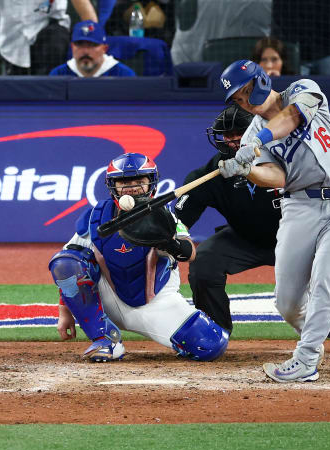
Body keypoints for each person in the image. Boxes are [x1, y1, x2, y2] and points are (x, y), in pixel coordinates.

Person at [217, 59, 330, 382]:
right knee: (286, 302)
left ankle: (306, 357)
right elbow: (277, 175)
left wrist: (257, 142)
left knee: (326, 280)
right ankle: (313, 338)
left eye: (245, 92)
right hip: (299, 208)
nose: (244, 102)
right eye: (238, 99)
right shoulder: (251, 137)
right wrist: (247, 170)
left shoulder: (303, 89)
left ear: (261, 81)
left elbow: (294, 116)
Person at [175, 103, 330, 353]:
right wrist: (173, 230)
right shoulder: (215, 171)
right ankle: (215, 332)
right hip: (245, 238)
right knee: (205, 262)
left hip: (300, 235)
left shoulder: (286, 156)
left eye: (238, 134)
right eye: (226, 136)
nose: (231, 141)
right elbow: (179, 217)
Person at [48, 152, 228, 362]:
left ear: (151, 183)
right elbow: (67, 266)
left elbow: (189, 254)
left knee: (211, 346)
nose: (131, 186)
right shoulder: (95, 218)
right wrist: (66, 312)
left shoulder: (166, 217)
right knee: (65, 261)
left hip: (157, 302)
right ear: (112, 185)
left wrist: (167, 242)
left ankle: (178, 338)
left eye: (139, 180)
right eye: (124, 181)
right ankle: (106, 338)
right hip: (109, 299)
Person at [49, 20, 136, 77]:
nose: (85, 51)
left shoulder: (123, 75)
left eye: (92, 45)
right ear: (72, 47)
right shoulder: (58, 75)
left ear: (104, 49)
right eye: (79, 45)